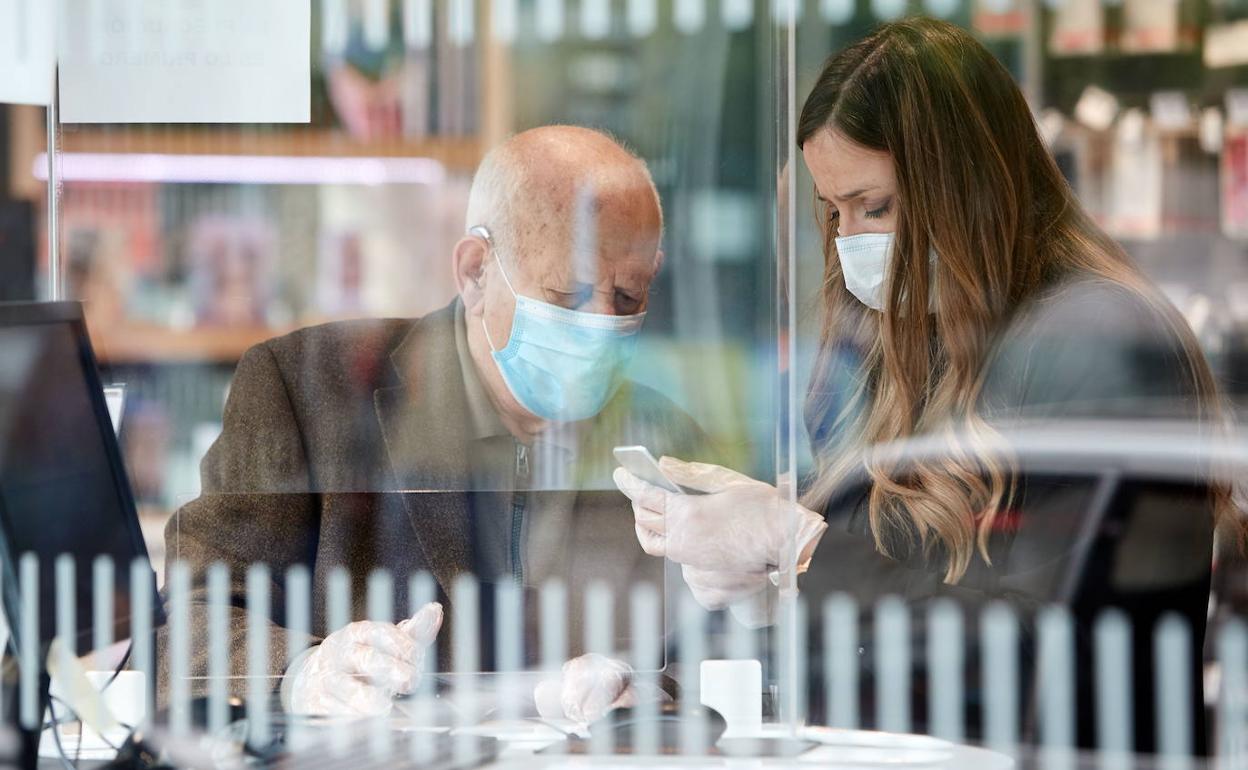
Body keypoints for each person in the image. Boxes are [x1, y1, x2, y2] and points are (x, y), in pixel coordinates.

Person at [614, 19, 1243, 752]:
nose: (850, 240)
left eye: (874, 207)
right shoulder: (922, 337)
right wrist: (663, 678)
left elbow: (1055, 646)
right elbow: (891, 598)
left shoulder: (1097, 341)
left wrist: (800, 549)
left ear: (963, 186)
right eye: (835, 211)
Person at [159, 126, 711, 720]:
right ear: (476, 272)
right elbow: (189, 625)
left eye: (628, 298)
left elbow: (723, 657)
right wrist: (304, 672)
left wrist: (651, 694)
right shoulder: (305, 390)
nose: (601, 324)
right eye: (570, 293)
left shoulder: (664, 436)